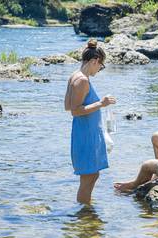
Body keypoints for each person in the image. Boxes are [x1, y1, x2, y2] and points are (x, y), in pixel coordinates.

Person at [65, 39, 116, 204]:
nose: (100, 69)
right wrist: (101, 103)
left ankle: (84, 214)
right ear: (94, 61)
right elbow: (74, 110)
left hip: (84, 133)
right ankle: (84, 215)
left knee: (90, 176)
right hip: (85, 136)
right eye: (101, 66)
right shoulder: (82, 80)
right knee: (90, 176)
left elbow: (67, 105)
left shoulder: (75, 76)